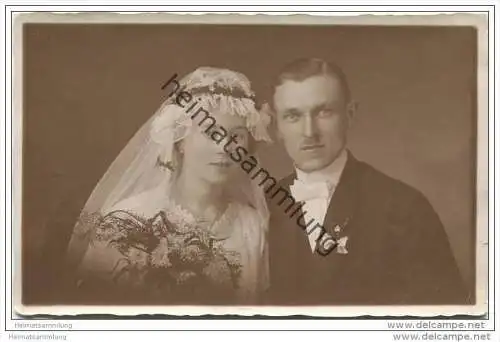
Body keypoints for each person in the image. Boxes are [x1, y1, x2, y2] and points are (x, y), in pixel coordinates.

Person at [266, 57, 470, 305]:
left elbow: (442, 316)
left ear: (349, 115)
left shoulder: (404, 207)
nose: (309, 131)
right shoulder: (261, 206)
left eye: (324, 112)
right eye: (293, 116)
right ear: (277, 127)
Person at [64, 67, 271, 305]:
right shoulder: (130, 216)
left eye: (236, 136)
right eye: (210, 133)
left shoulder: (251, 225)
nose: (223, 147)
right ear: (180, 140)